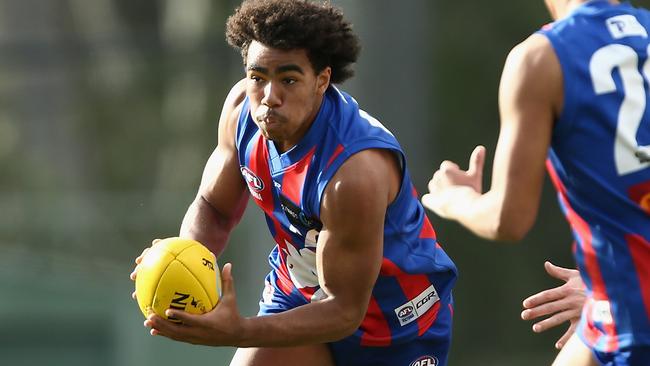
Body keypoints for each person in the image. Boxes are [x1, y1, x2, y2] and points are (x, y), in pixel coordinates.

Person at [130, 1, 458, 365]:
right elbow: (213, 208)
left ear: (322, 80)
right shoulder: (242, 112)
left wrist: (238, 330)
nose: (269, 96)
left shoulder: (353, 173)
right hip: (299, 295)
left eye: (288, 79)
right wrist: (181, 261)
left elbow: (344, 311)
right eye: (258, 77)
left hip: (396, 324)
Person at [422, 0, 650, 365]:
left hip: (633, 322)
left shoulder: (541, 59)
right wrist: (603, 286)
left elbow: (508, 220)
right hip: (614, 310)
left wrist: (454, 198)